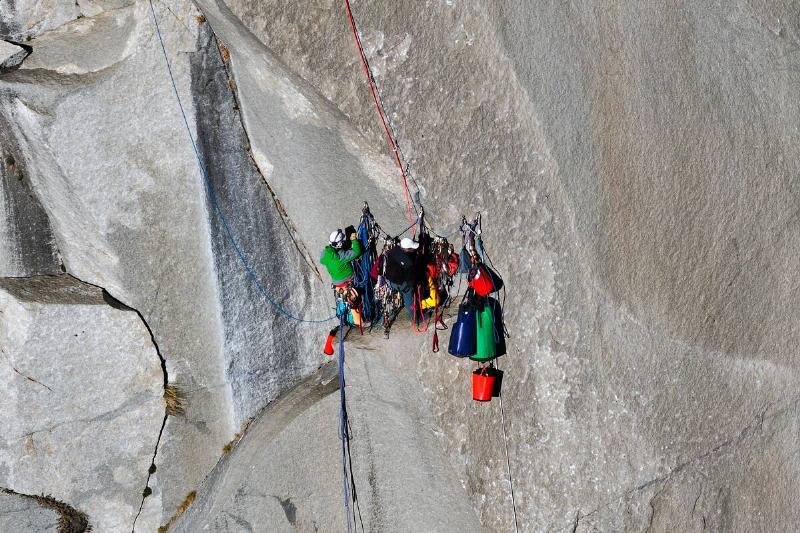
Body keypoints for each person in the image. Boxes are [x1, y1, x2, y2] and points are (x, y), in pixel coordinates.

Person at [383, 237, 420, 319]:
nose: (413, 250)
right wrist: (413, 284)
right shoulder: (407, 262)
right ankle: (414, 318)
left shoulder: (394, 250)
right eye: (412, 248)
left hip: (391, 280)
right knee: (408, 294)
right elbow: (410, 277)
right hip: (399, 283)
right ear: (406, 249)